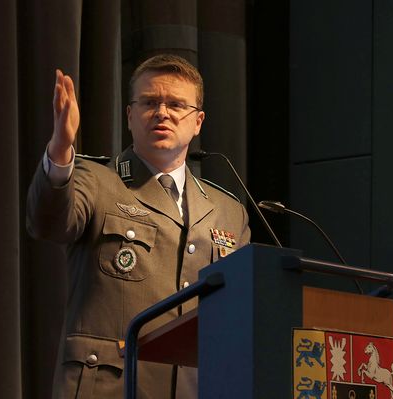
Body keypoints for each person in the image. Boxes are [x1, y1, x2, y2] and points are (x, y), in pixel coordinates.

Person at [27, 54, 251, 398]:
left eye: (176, 104)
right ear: (130, 116)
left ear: (198, 122)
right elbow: (49, 222)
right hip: (112, 388)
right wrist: (60, 150)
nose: (162, 112)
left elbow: (241, 308)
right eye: (149, 102)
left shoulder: (228, 211)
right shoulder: (95, 180)